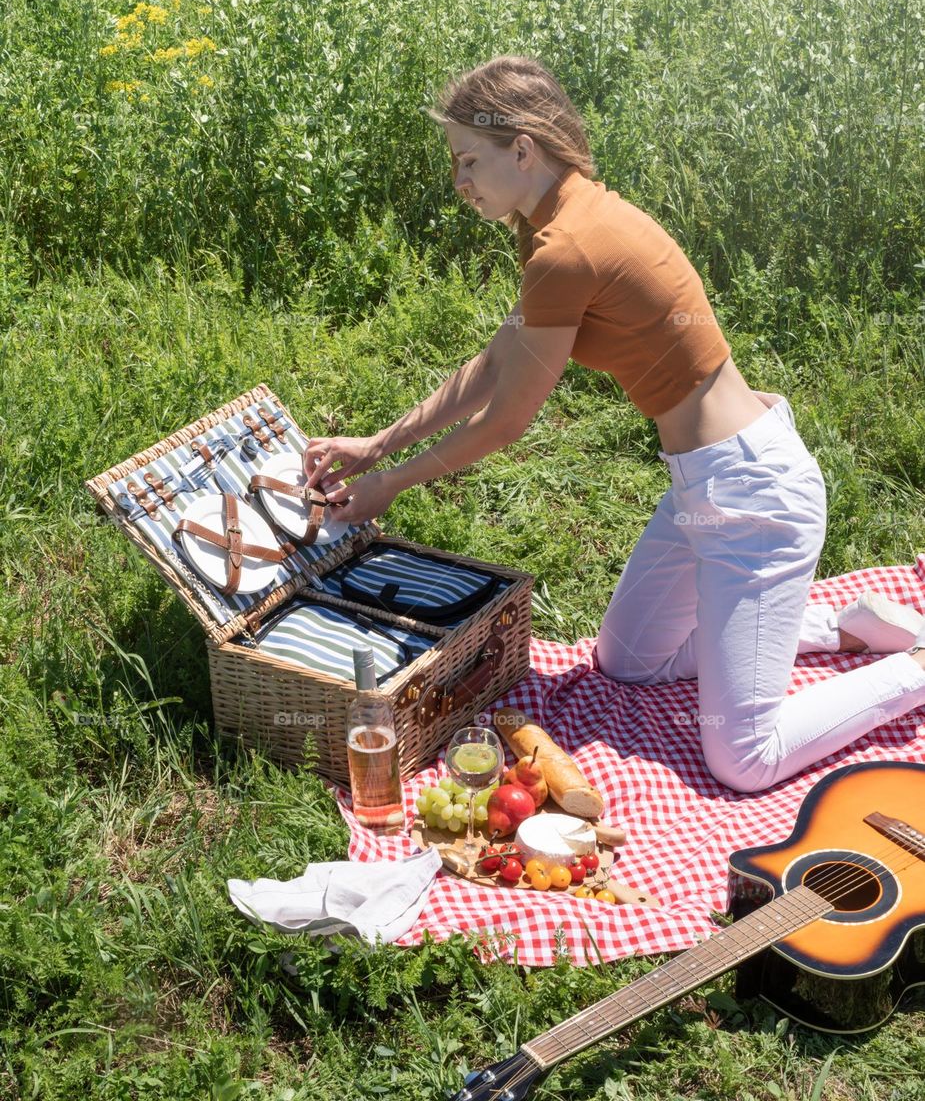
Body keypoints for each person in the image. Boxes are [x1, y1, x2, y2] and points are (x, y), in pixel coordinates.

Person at [303, 55, 925, 793]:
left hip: (754, 498)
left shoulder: (566, 247)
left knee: (744, 759)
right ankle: (845, 629)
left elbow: (506, 421)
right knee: (627, 660)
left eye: (469, 160)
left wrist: (389, 484)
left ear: (523, 149)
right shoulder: (560, 222)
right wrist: (379, 445)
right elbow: (498, 360)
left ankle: (910, 669)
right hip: (711, 481)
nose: (458, 181)